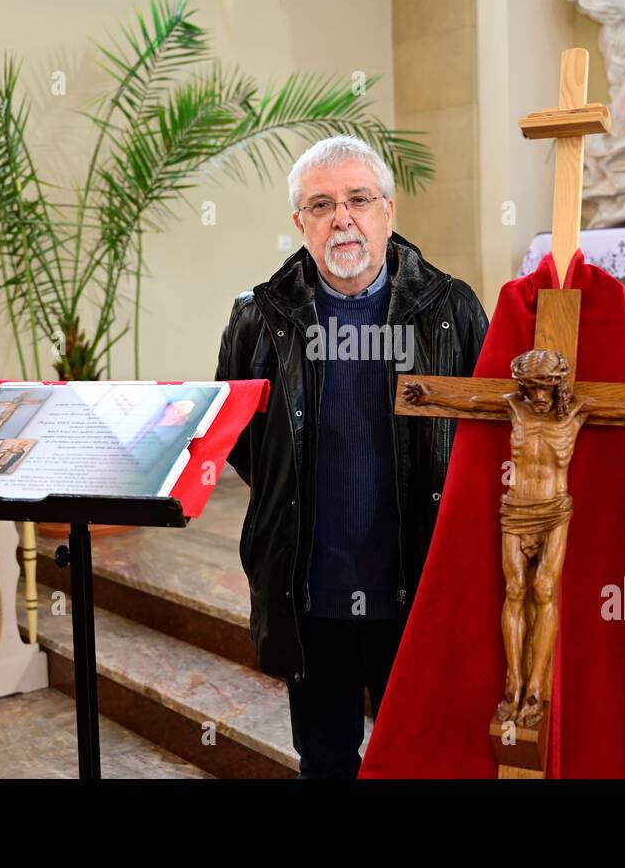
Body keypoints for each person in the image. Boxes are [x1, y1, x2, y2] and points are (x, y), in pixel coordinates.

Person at [216, 134, 489, 778]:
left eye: (358, 199)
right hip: (312, 587)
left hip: (416, 575)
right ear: (299, 223)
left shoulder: (450, 309)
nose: (342, 217)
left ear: (388, 211)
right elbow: (243, 441)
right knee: (325, 758)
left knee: (419, 758)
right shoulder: (259, 317)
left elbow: (483, 438)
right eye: (321, 205)